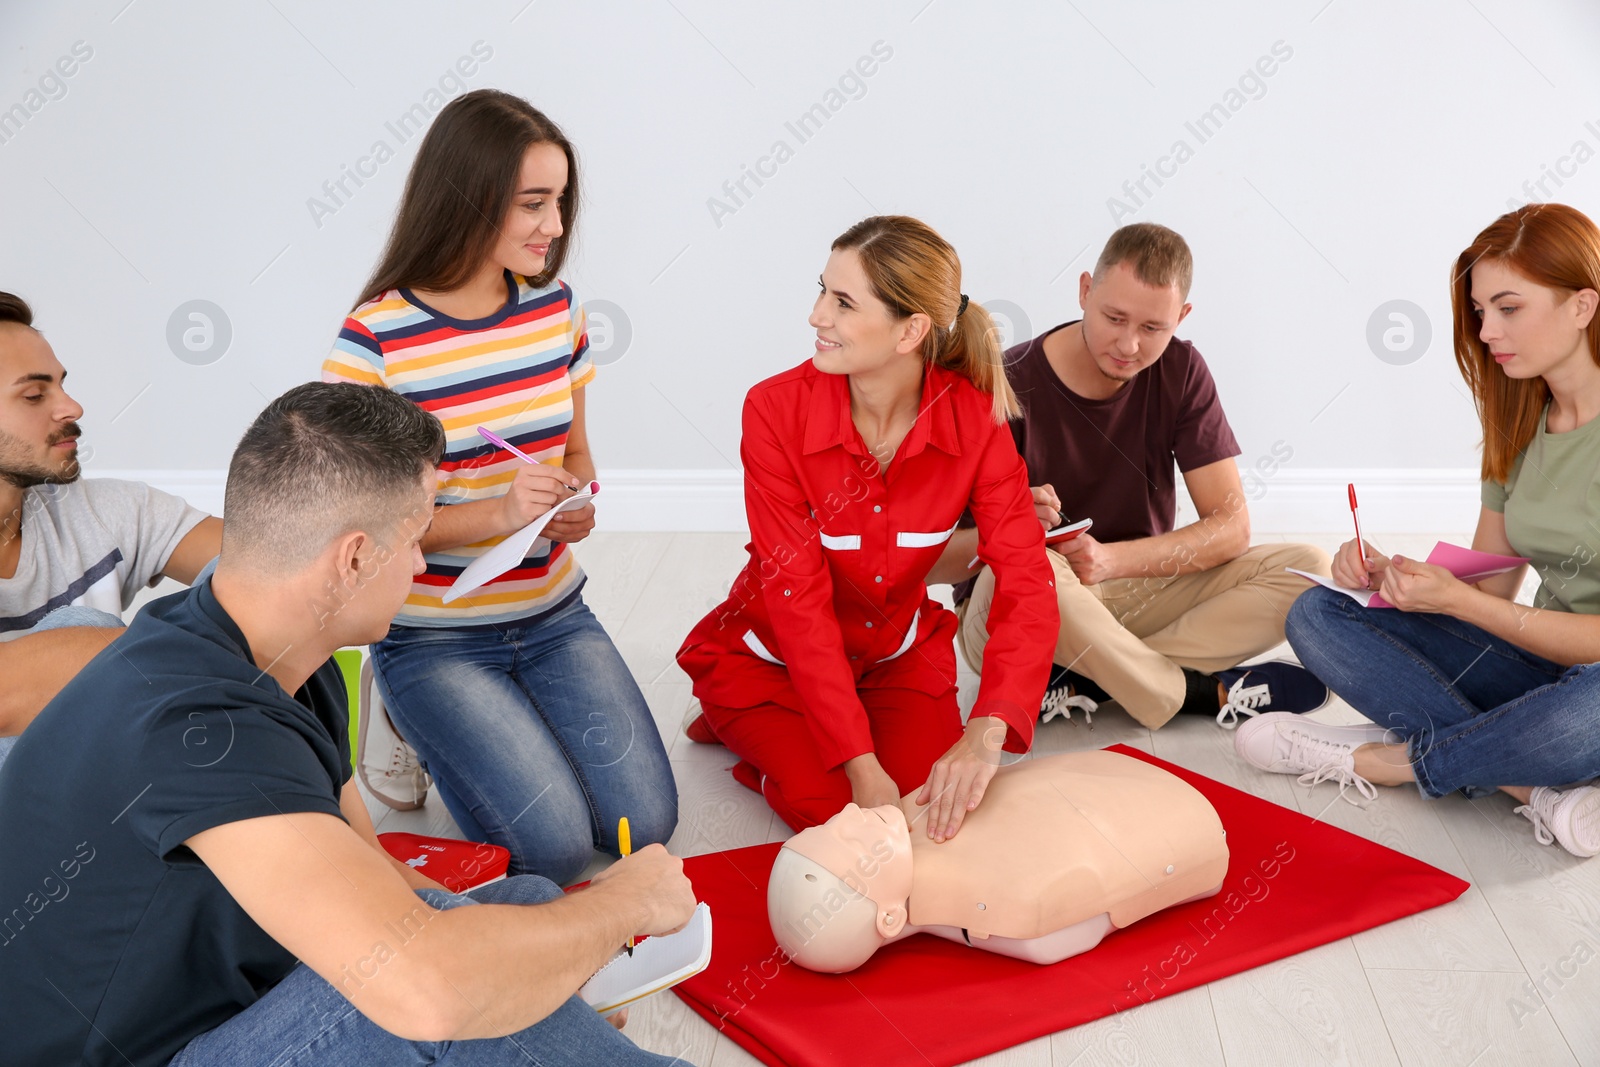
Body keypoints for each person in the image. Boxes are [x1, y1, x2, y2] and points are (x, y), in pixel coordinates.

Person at [0, 382, 696, 1066]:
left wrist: (540, 967)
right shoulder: (203, 728)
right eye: (418, 539)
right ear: (355, 557)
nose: (423, 564)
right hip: (154, 1050)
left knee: (522, 906)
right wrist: (621, 909)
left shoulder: (276, 652)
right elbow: (427, 990)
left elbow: (384, 872)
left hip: (219, 1003)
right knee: (427, 987)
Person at [322, 89, 676, 883]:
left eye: (560, 201)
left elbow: (577, 451)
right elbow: (358, 528)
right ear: (469, 199)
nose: (555, 227)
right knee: (548, 850)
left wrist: (573, 501)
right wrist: (493, 512)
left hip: (552, 612)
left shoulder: (556, 312)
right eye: (534, 204)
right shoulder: (374, 340)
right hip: (433, 633)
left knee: (640, 827)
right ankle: (396, 709)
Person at [1237, 203, 1600, 859]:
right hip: (1540, 667)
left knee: (1586, 713)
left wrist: (1463, 603)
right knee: (1318, 614)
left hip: (1592, 681)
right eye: (1481, 310)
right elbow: (1491, 579)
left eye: (1508, 307)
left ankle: (1388, 760)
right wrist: (1396, 582)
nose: (1487, 329)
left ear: (1582, 305)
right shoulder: (1521, 419)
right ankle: (1527, 782)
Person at [677, 215, 1059, 839]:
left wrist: (986, 733)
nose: (815, 315)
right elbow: (797, 603)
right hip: (771, 661)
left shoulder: (974, 420)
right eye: (822, 290)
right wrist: (858, 763)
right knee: (849, 818)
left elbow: (1026, 581)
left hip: (895, 659)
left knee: (937, 803)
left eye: (843, 302)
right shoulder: (773, 412)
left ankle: (823, 740)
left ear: (910, 330)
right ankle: (737, 721)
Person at [929, 223, 1331, 730]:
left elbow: (1230, 527)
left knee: (1310, 570)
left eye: (1152, 328)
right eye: (1113, 317)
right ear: (1083, 291)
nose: (1129, 344)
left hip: (1131, 589)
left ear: (1181, 318)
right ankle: (1193, 690)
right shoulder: (1003, 383)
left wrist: (1109, 560)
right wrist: (1006, 530)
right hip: (1015, 611)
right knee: (1039, 569)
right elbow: (931, 561)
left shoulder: (1181, 371)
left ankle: (1095, 679)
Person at [0, 290, 221, 769]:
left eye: (61, 386)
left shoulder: (105, 511)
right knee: (83, 629)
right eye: (35, 395)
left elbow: (272, 577)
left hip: (98, 797)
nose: (72, 408)